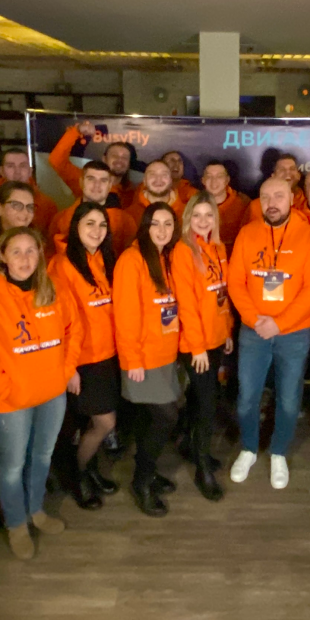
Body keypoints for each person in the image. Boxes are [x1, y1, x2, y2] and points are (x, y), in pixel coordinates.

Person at [0, 227, 82, 559]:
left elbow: (74, 330)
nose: (25, 258)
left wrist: (64, 372)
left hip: (52, 394)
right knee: (13, 465)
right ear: (2, 256)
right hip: (8, 402)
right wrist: (6, 389)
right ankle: (16, 524)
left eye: (31, 250)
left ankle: (36, 510)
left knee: (42, 456)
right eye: (16, 251)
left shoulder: (54, 289)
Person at [227, 177, 310, 489]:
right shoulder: (247, 233)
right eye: (265, 196)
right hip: (254, 329)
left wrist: (279, 323)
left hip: (294, 333)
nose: (272, 203)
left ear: (292, 199)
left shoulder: (309, 236)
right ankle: (248, 448)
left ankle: (279, 452)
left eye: (279, 196)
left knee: (288, 398)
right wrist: (255, 319)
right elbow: (235, 282)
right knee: (247, 397)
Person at [113, 203, 185, 516]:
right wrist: (133, 359)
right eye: (155, 223)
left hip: (166, 354)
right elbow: (125, 315)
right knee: (166, 417)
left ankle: (148, 471)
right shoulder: (132, 260)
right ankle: (141, 481)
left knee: (150, 418)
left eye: (168, 224)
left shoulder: (166, 257)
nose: (162, 230)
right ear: (145, 226)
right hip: (144, 358)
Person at [50, 202, 122, 510]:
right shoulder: (61, 264)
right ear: (75, 227)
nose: (97, 230)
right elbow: (58, 321)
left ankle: (87, 469)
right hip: (83, 360)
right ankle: (75, 476)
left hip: (109, 354)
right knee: (104, 423)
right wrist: (69, 367)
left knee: (92, 424)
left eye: (102, 225)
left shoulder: (105, 259)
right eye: (89, 223)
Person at [172, 194, 233, 502]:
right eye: (197, 215)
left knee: (201, 399)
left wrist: (228, 330)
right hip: (197, 345)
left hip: (217, 338)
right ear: (187, 219)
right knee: (207, 405)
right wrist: (197, 347)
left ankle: (190, 445)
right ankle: (202, 468)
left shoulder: (218, 247)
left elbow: (222, 293)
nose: (203, 221)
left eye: (209, 215)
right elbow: (186, 303)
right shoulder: (184, 250)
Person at [49, 161, 136, 255]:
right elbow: (49, 254)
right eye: (91, 179)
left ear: (110, 185)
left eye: (103, 180)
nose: (97, 185)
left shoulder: (125, 222)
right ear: (81, 182)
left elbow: (131, 255)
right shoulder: (61, 219)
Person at [50, 121, 139, 208]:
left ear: (129, 163)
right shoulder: (86, 180)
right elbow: (57, 160)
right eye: (114, 155)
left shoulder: (134, 194)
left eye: (124, 157)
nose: (119, 160)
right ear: (104, 159)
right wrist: (77, 130)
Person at [0, 146, 58, 233]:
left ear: (30, 171)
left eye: (23, 166)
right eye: (10, 166)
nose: (17, 172)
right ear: (1, 171)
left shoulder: (47, 205)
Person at [200, 160, 250, 250]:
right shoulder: (194, 205)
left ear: (227, 180)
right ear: (203, 180)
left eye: (219, 176)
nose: (214, 181)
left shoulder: (243, 203)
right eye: (209, 176)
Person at [125, 160, 187, 227]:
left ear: (171, 180)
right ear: (144, 181)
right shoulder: (129, 216)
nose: (158, 179)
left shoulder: (187, 214)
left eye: (164, 175)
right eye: (152, 174)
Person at [247, 154, 306, 221]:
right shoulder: (256, 206)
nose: (287, 173)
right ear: (273, 176)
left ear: (299, 175)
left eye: (292, 169)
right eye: (282, 170)